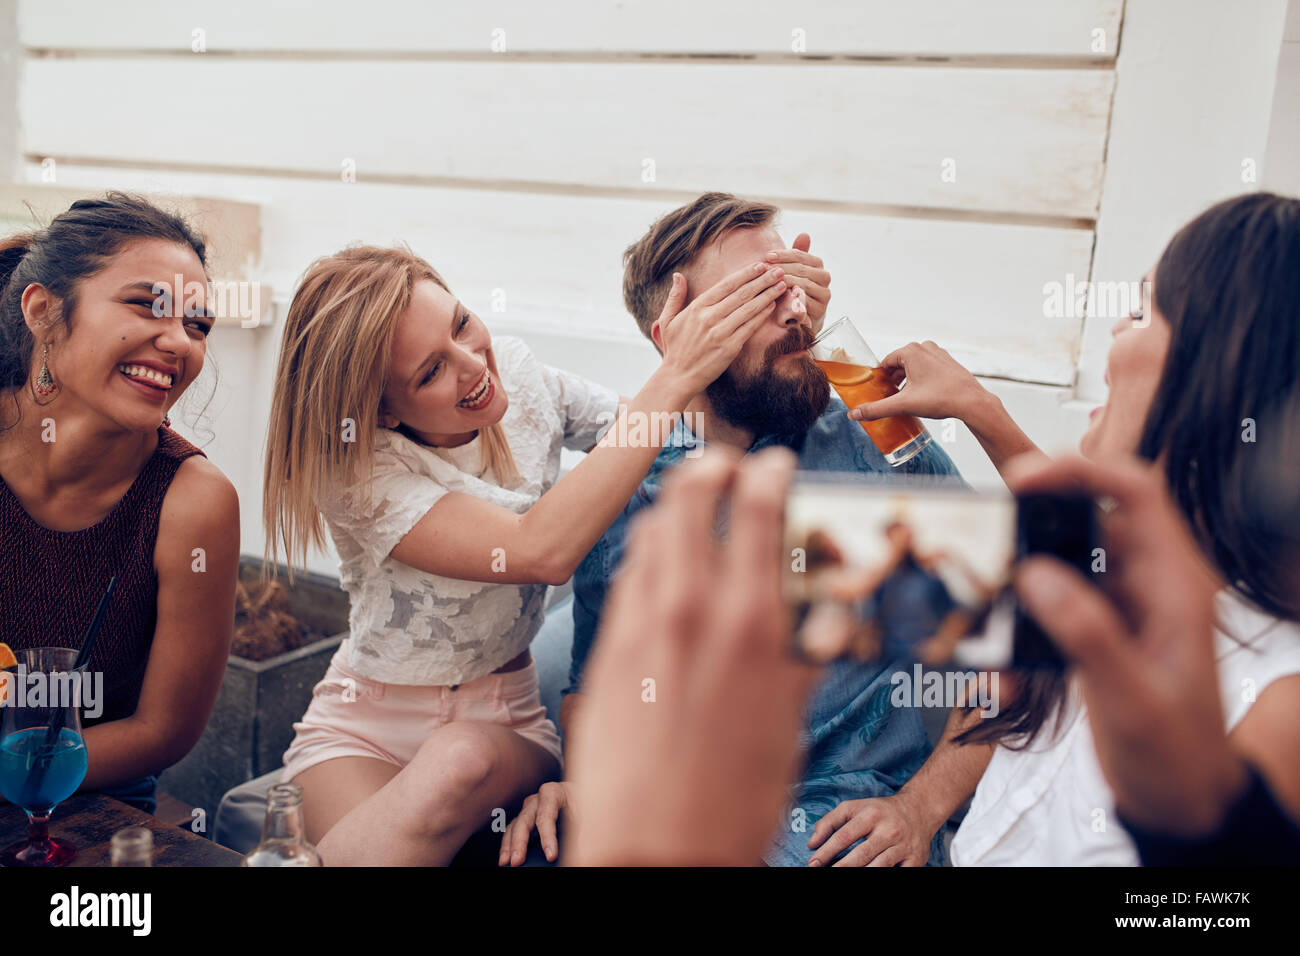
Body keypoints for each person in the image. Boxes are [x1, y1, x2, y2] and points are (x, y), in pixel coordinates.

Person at [810, 191, 1300, 866]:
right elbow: (823, 587)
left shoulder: (1278, 705)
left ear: (1224, 362)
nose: (1114, 332)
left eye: (1143, 308)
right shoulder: (1101, 573)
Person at [262, 242, 786, 865]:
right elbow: (537, 551)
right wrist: (673, 374)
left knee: (458, 760)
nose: (472, 364)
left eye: (460, 323)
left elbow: (668, 442)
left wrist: (764, 346)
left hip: (502, 725)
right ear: (382, 410)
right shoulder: (356, 473)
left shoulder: (518, 372)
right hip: (362, 725)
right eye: (430, 372)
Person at [501, 191, 966, 867]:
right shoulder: (624, 486)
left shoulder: (876, 436)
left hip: (841, 822)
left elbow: (1009, 660)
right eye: (754, 296)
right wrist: (583, 784)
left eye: (797, 286)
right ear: (677, 337)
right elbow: (594, 687)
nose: (797, 312)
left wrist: (920, 809)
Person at [0, 193, 239, 815]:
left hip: (92, 802)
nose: (179, 343)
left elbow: (163, 731)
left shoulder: (193, 501)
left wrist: (17, 773)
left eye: (197, 325)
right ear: (44, 310)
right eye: (145, 304)